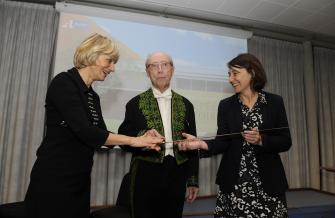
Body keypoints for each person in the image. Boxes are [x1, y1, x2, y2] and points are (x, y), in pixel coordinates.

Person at [24, 33, 163, 218]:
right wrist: (135, 140)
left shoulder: (92, 95)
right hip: (54, 177)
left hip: (79, 179)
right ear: (92, 55)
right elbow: (86, 131)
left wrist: (143, 138)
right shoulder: (64, 82)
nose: (112, 68)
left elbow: (103, 136)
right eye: (109, 61)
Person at [177, 53, 292, 218]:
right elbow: (222, 142)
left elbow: (285, 141)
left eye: (235, 73)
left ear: (252, 72)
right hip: (234, 185)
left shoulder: (275, 102)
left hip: (268, 184)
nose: (230, 79)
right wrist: (200, 144)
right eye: (229, 74)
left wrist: (261, 140)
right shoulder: (226, 106)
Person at [118, 52, 199, 218]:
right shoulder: (133, 104)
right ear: (148, 72)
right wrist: (142, 137)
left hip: (177, 172)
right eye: (154, 66)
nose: (160, 70)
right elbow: (124, 138)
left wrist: (192, 180)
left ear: (172, 70)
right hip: (145, 173)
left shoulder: (186, 104)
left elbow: (194, 144)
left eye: (165, 65)